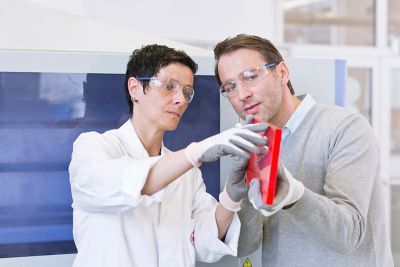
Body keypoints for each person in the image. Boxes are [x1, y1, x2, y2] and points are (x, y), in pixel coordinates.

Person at [68, 44, 268, 267]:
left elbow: (204, 242)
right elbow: (127, 183)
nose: (181, 100)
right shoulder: (94, 147)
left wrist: (231, 197)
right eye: (169, 86)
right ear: (134, 88)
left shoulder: (187, 173)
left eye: (186, 91)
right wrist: (198, 151)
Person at [213, 34, 394, 266]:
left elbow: (348, 235)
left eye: (250, 76)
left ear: (283, 73)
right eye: (230, 87)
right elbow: (244, 247)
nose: (242, 95)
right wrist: (236, 198)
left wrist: (293, 196)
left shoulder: (344, 128)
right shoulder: (254, 144)